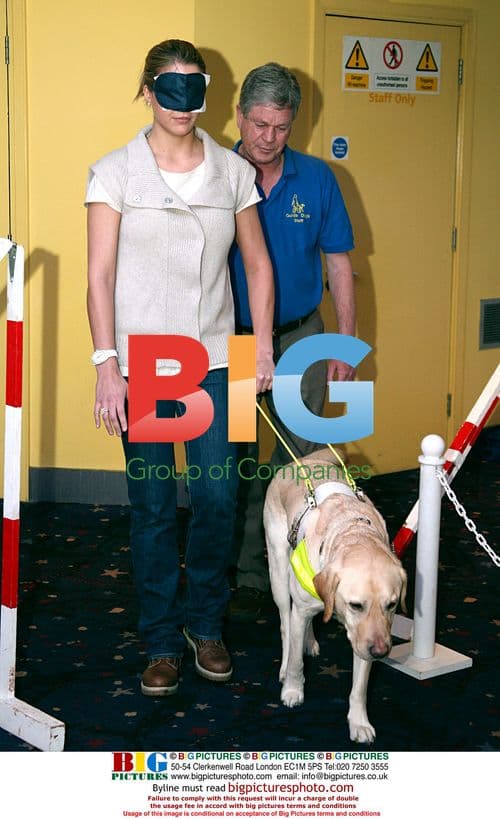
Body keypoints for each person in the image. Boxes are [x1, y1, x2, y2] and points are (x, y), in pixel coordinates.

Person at [86, 40, 274, 695]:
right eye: (169, 88)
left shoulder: (231, 171)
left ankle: (207, 624)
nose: (182, 103)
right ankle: (163, 639)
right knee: (155, 506)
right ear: (146, 90)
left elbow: (257, 264)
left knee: (222, 497)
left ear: (207, 92)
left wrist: (267, 345)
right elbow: (99, 275)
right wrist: (107, 365)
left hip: (222, 358)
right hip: (146, 366)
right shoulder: (114, 172)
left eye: (194, 88)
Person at [229, 63, 356, 621]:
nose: (266, 137)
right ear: (239, 116)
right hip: (231, 342)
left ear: (293, 124)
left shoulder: (319, 178)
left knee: (300, 461)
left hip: (302, 337)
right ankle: (240, 571)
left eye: (279, 127)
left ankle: (298, 572)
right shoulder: (215, 174)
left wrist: (344, 344)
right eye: (258, 123)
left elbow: (340, 263)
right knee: (233, 460)